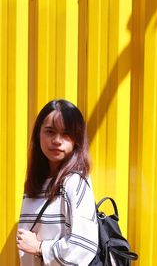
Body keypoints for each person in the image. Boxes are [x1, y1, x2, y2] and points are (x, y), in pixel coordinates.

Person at [16, 99, 98, 266]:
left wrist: (40, 248)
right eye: (50, 131)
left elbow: (84, 246)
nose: (57, 140)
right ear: (39, 134)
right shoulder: (34, 184)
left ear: (77, 139)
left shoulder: (75, 182)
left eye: (66, 133)